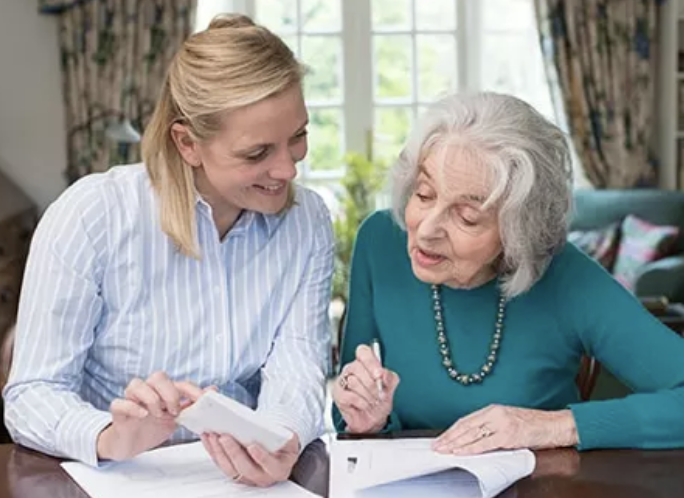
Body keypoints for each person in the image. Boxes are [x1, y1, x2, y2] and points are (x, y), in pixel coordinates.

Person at [3, 14, 334, 488]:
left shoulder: (307, 221)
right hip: (113, 479)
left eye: (297, 137)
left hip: (239, 483)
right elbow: (32, 394)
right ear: (187, 143)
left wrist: (281, 437)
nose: (287, 170)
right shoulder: (92, 216)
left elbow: (298, 364)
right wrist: (109, 436)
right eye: (257, 153)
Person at [332, 91, 684, 454]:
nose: (425, 230)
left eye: (466, 217)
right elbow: (348, 414)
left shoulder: (566, 276)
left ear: (519, 231)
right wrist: (365, 419)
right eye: (423, 195)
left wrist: (552, 426)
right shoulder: (381, 242)